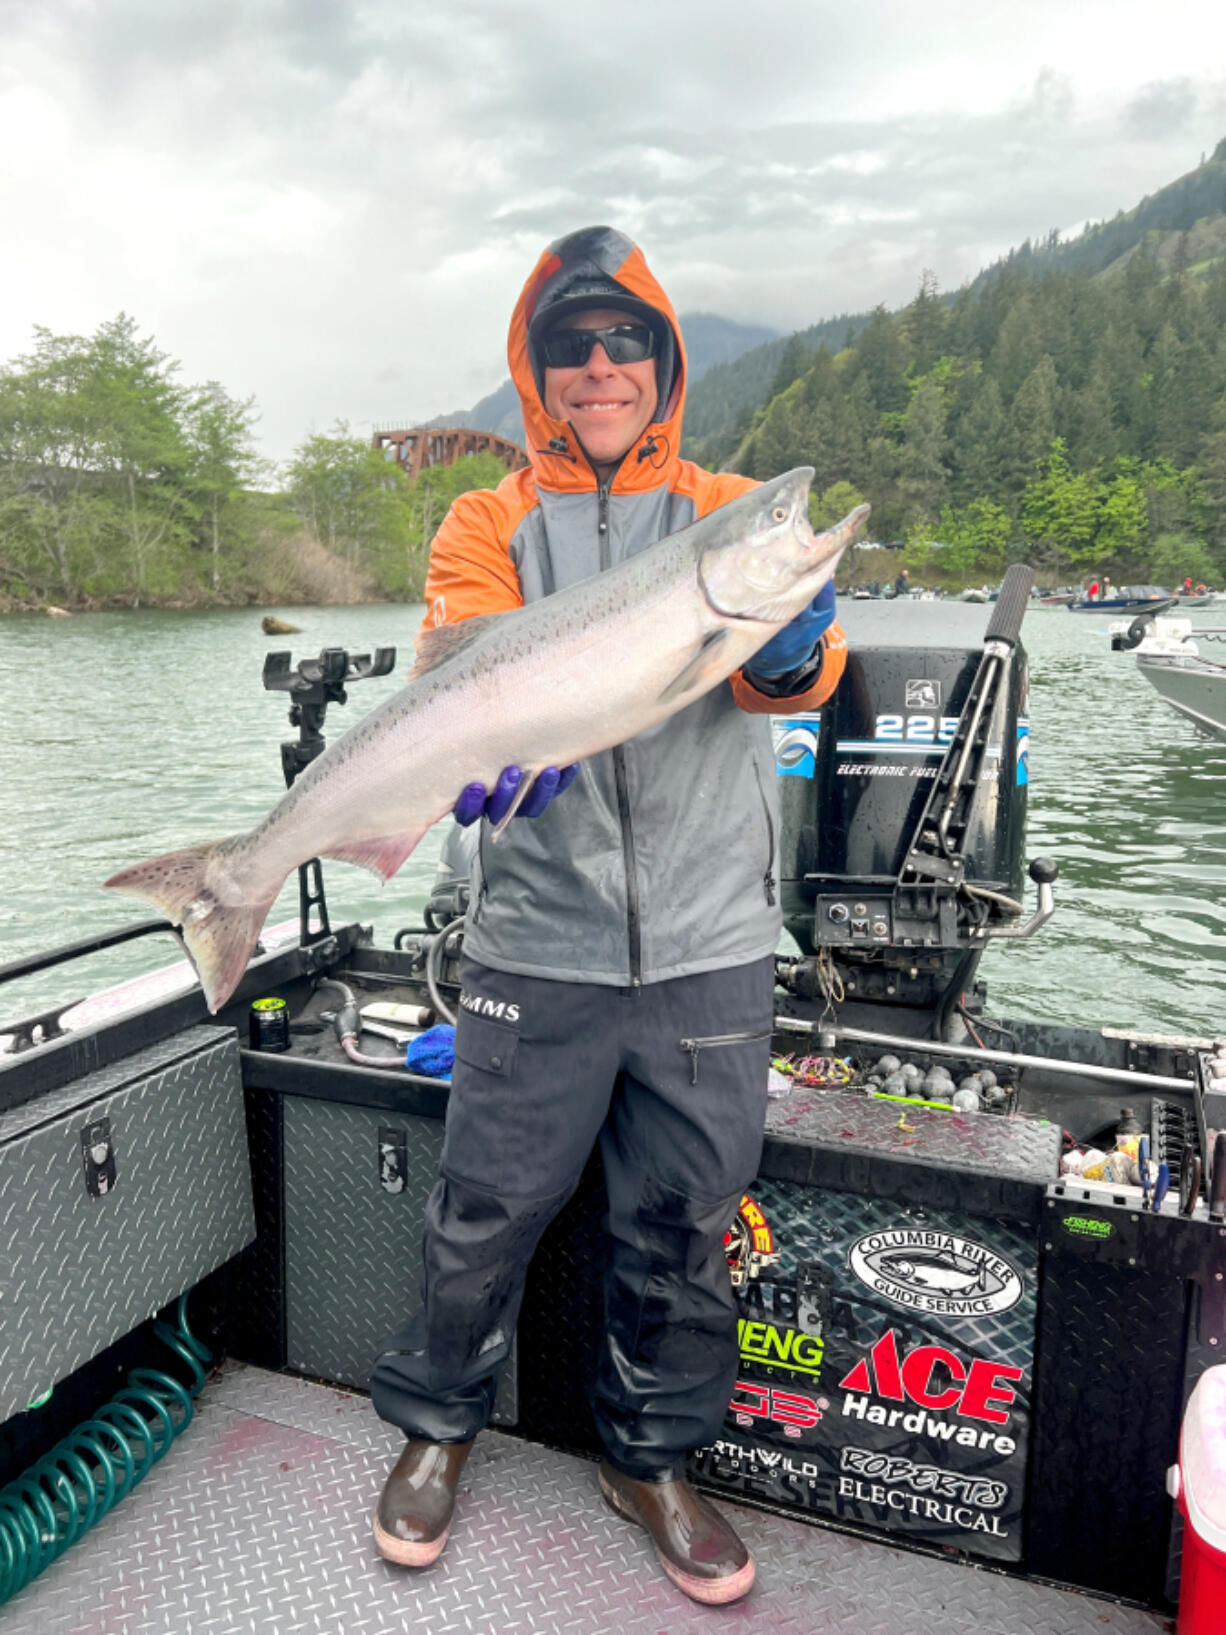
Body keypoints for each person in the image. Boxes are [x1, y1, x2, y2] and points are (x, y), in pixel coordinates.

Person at [368, 226, 848, 1605]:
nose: (598, 367)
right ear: (535, 371)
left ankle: (648, 1460)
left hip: (706, 942)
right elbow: (457, 659)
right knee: (484, 1208)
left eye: (623, 341)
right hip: (534, 931)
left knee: (683, 1219)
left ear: (663, 362)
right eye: (569, 345)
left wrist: (798, 638)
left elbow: (786, 683)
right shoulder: (482, 523)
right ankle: (433, 1430)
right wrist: (473, 746)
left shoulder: (730, 508)